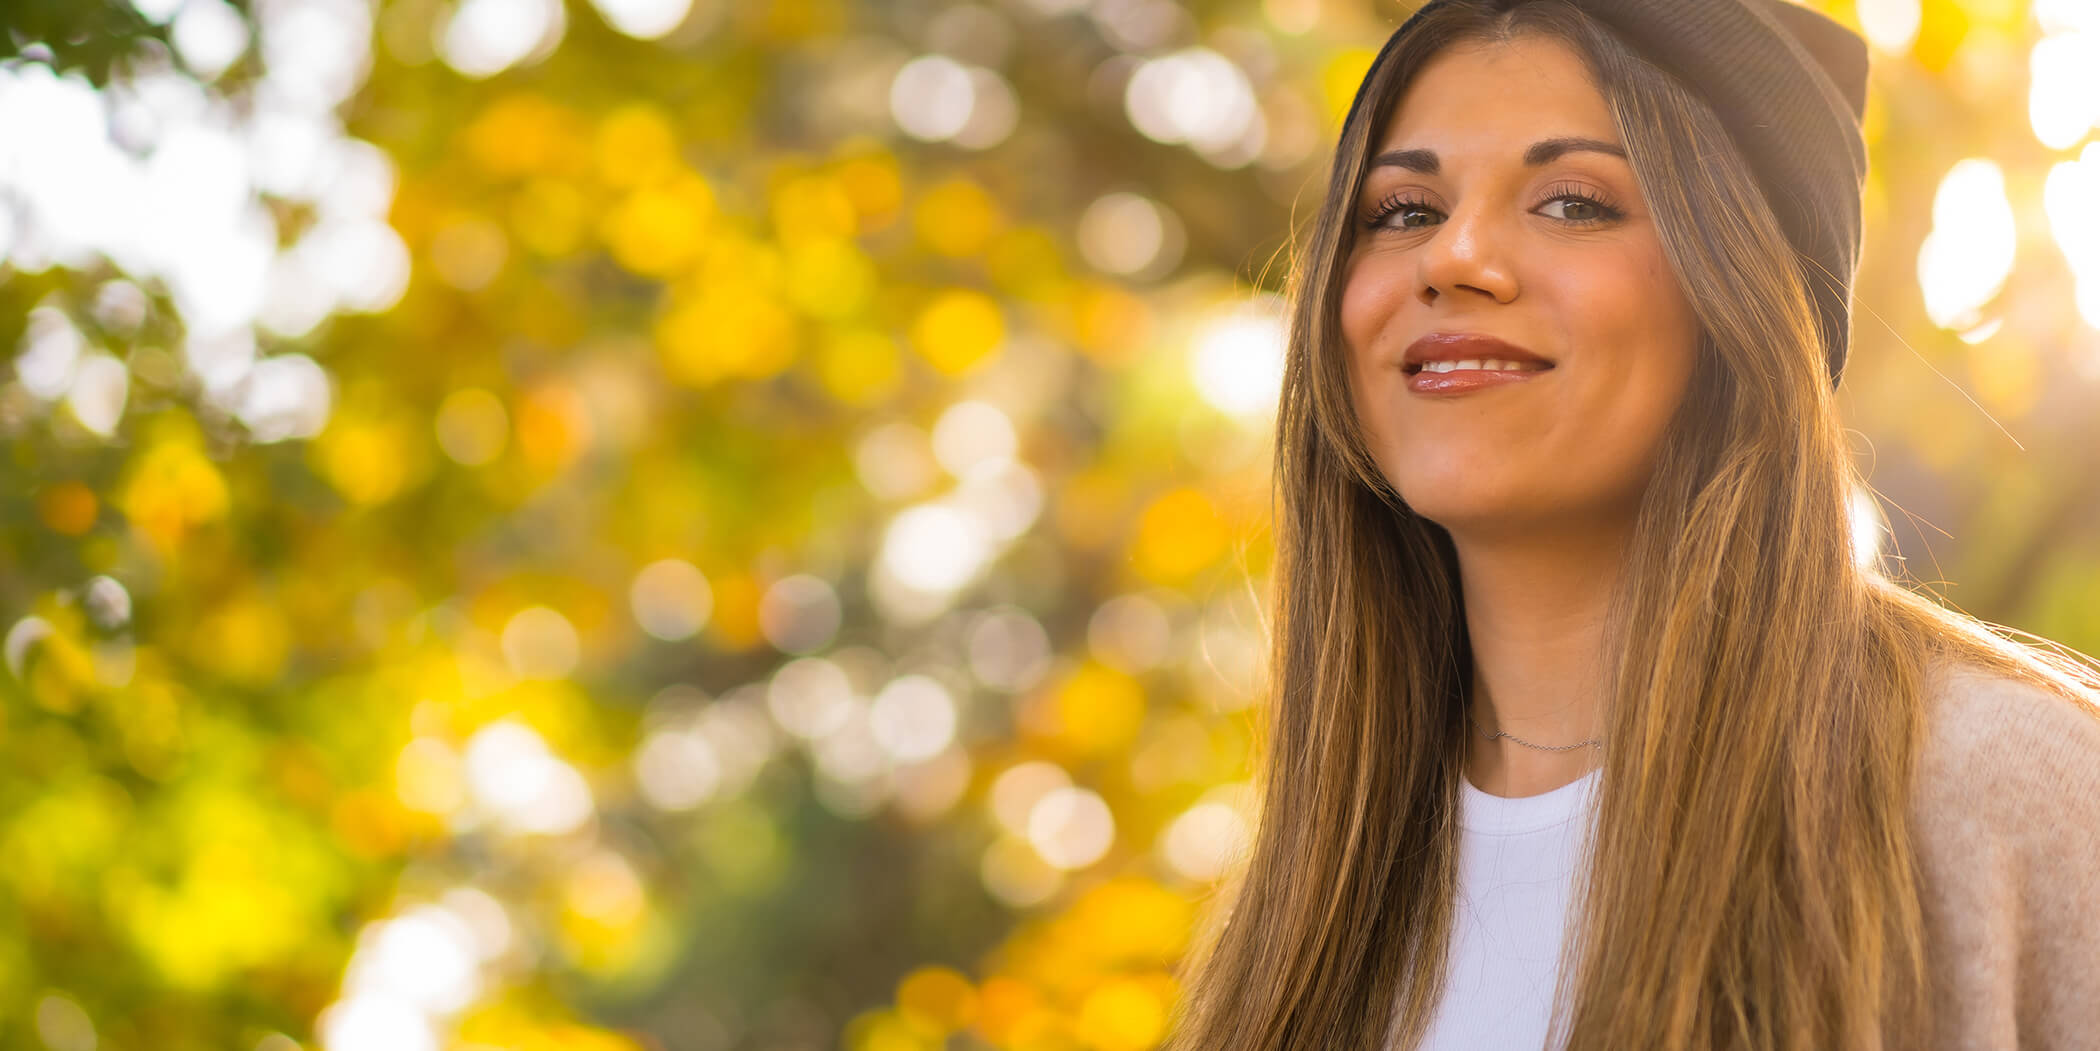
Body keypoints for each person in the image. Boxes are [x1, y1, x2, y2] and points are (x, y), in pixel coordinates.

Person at [1162, 1, 2100, 1048]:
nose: (1454, 256)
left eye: (1571, 202)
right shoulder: (1303, 909)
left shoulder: (2005, 787)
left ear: (1742, 296)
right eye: (1403, 211)